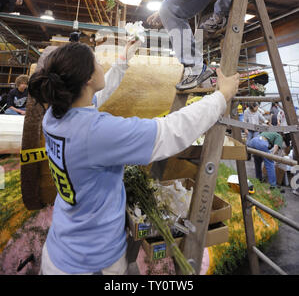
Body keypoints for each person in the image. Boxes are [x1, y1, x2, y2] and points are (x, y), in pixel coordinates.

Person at [28, 39, 239, 275]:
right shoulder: (96, 132)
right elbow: (170, 132)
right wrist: (221, 97)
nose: (100, 64)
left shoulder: (55, 116)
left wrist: (122, 61)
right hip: (91, 264)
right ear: (87, 79)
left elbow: (95, 97)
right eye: (97, 61)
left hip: (62, 247)